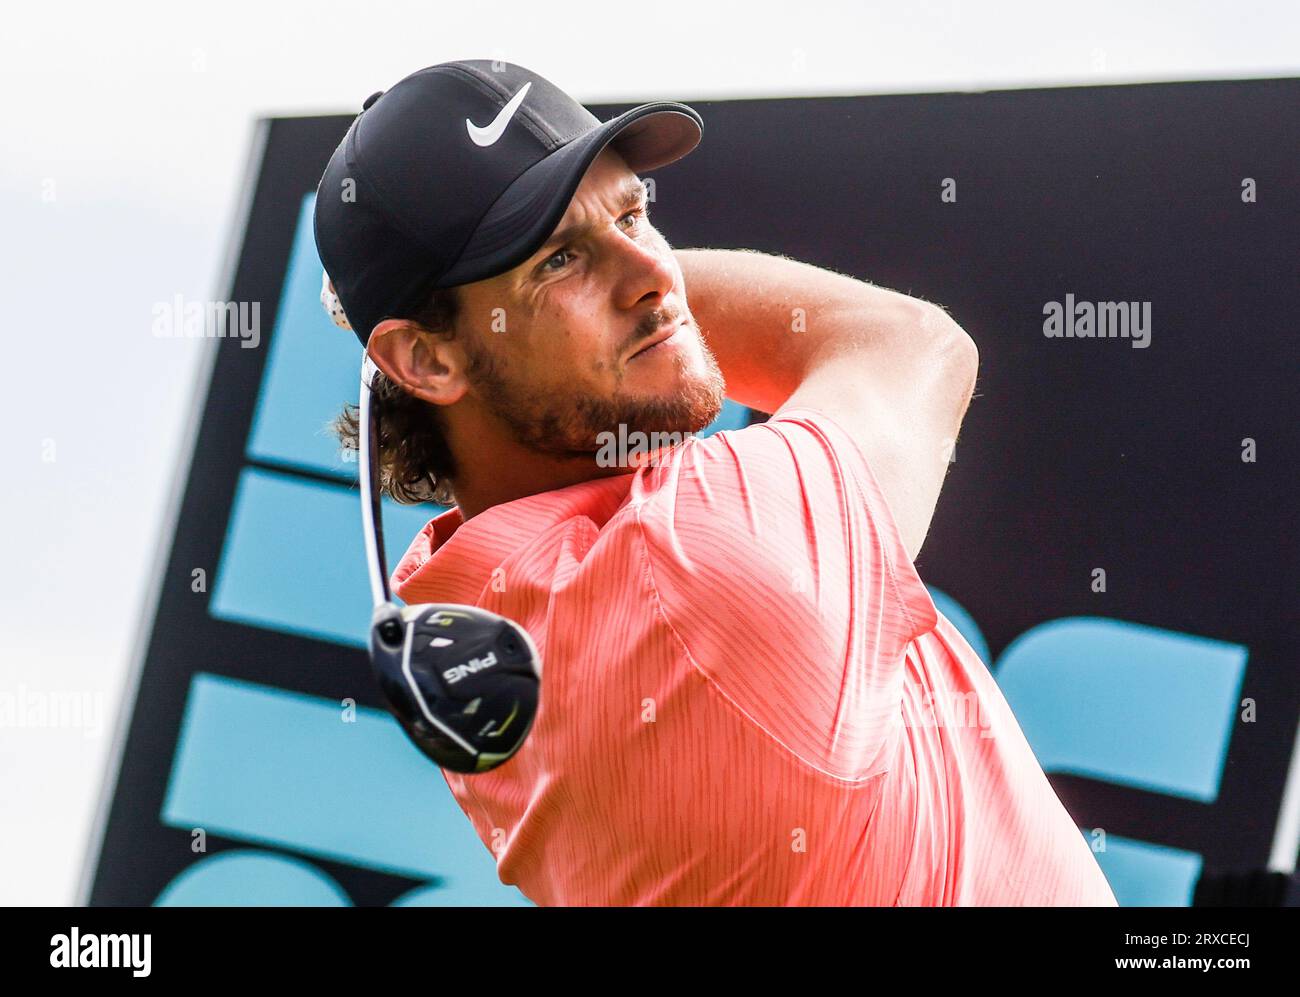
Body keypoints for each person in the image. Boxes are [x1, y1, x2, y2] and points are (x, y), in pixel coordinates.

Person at [314, 59, 1118, 906]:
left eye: (636, 212)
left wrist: (574, 286)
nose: (658, 275)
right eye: (557, 262)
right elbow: (911, 343)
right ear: (427, 357)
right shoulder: (694, 558)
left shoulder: (471, 617)